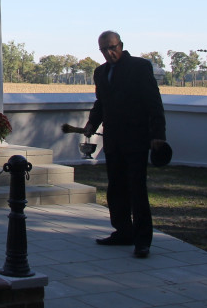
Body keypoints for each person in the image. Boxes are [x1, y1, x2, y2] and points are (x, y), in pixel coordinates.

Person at [83, 30, 167, 258]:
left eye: (113, 47)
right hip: (113, 140)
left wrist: (158, 134)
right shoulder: (100, 72)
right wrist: (92, 123)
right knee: (116, 188)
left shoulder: (139, 67)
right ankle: (123, 232)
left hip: (136, 140)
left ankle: (142, 241)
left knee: (137, 190)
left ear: (121, 44)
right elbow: (101, 102)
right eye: (105, 49)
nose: (110, 53)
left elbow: (153, 101)